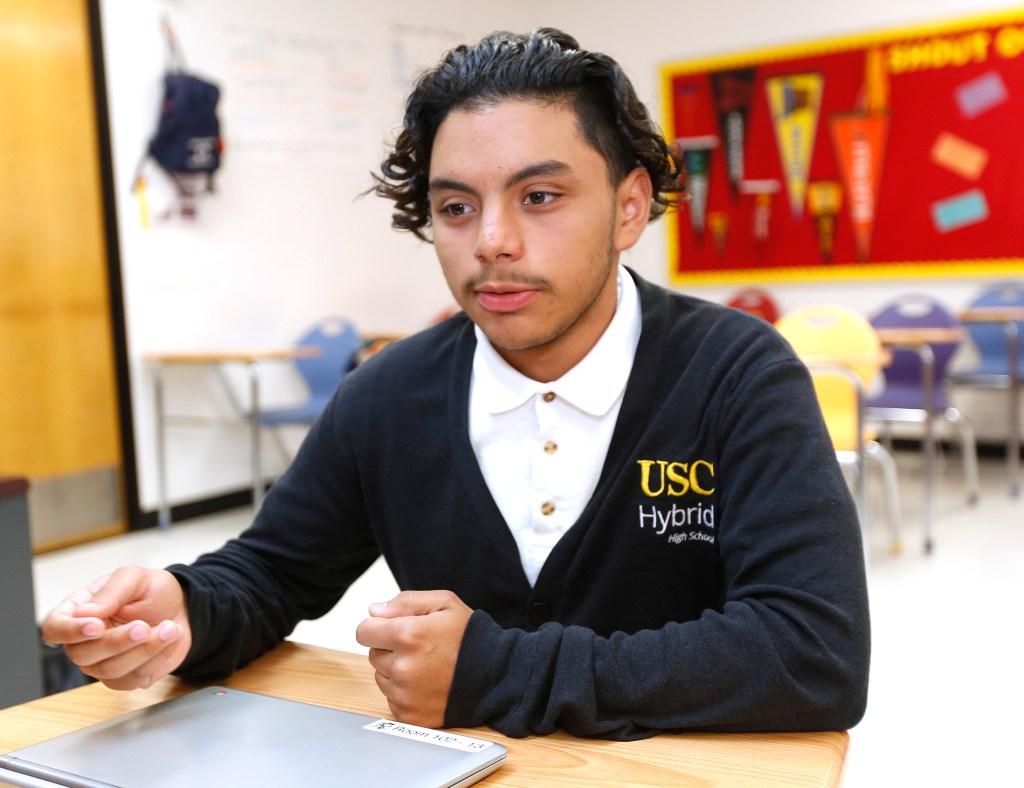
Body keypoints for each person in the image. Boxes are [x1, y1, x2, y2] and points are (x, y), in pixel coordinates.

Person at [41, 28, 869, 741]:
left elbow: (813, 652)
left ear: (627, 208)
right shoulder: (387, 396)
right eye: (457, 207)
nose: (494, 242)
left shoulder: (738, 374)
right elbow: (268, 576)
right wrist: (183, 608)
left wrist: (497, 670)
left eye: (539, 196)